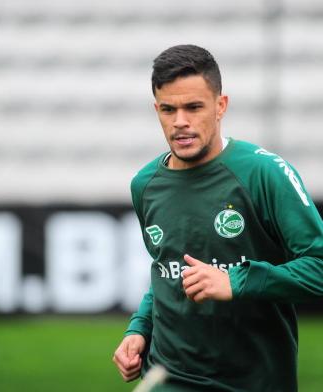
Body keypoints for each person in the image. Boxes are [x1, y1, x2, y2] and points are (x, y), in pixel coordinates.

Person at [112, 44, 323, 391]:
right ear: (157, 110)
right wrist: (139, 328)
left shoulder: (264, 173)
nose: (180, 121)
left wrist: (237, 281)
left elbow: (318, 266)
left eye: (194, 107)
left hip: (255, 381)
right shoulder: (145, 185)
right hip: (170, 376)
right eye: (168, 109)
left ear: (220, 106)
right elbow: (167, 271)